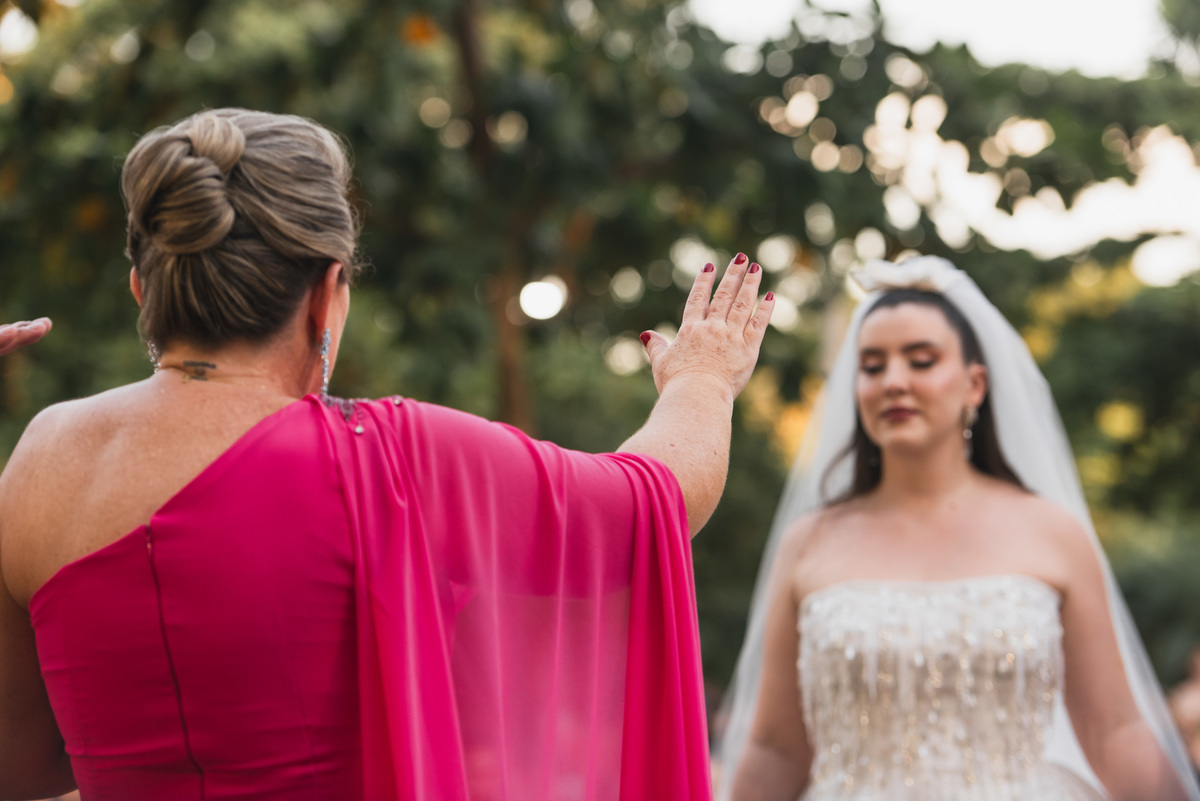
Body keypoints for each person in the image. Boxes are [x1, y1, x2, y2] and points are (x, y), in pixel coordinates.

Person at [0, 108, 775, 801]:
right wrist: (703, 376)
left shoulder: (42, 458)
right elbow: (656, 498)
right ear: (326, 292)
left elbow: (19, 764)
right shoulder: (391, 461)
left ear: (143, 288)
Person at [715, 256, 1200, 801]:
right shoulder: (809, 542)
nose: (894, 381)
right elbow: (777, 749)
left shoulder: (1052, 533)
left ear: (975, 385)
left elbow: (1114, 732)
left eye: (921, 361)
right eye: (871, 366)